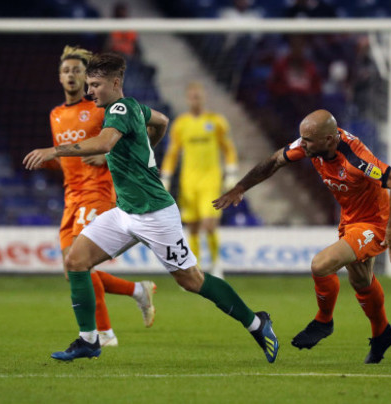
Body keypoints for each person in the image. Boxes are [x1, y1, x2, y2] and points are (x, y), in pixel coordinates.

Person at [24, 52, 279, 363]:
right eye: (88, 85)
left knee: (192, 281)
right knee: (76, 261)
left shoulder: (119, 108)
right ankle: (89, 340)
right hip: (125, 213)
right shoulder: (132, 107)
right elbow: (161, 121)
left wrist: (54, 151)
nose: (89, 91)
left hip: (155, 215)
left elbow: (104, 143)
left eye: (95, 85)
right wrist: (147, 149)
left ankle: (256, 322)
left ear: (115, 83)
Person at [214, 109, 391, 364]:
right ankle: (382, 333)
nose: (302, 144)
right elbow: (274, 161)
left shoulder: (356, 158)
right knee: (361, 281)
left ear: (329, 140)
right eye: (302, 139)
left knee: (321, 264)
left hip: (374, 223)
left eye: (308, 140)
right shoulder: (311, 146)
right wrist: (240, 188)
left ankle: (324, 320)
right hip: (351, 219)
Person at [48, 45, 157, 347]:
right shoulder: (55, 115)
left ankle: (104, 334)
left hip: (98, 193)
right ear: (59, 77)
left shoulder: (100, 109)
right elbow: (67, 158)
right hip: (72, 198)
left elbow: (128, 136)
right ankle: (138, 291)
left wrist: (107, 156)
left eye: (77, 70)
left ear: (86, 78)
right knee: (73, 271)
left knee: (78, 264)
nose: (71, 75)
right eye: (66, 70)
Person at [160, 81, 238, 278]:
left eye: (199, 96)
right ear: (188, 99)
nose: (196, 99)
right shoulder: (181, 124)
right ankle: (196, 269)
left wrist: (231, 173)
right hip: (189, 181)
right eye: (193, 96)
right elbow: (172, 153)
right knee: (193, 226)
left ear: (204, 98)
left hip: (211, 179)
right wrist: (166, 178)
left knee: (209, 223)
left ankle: (217, 264)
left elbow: (228, 148)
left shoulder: (216, 121)